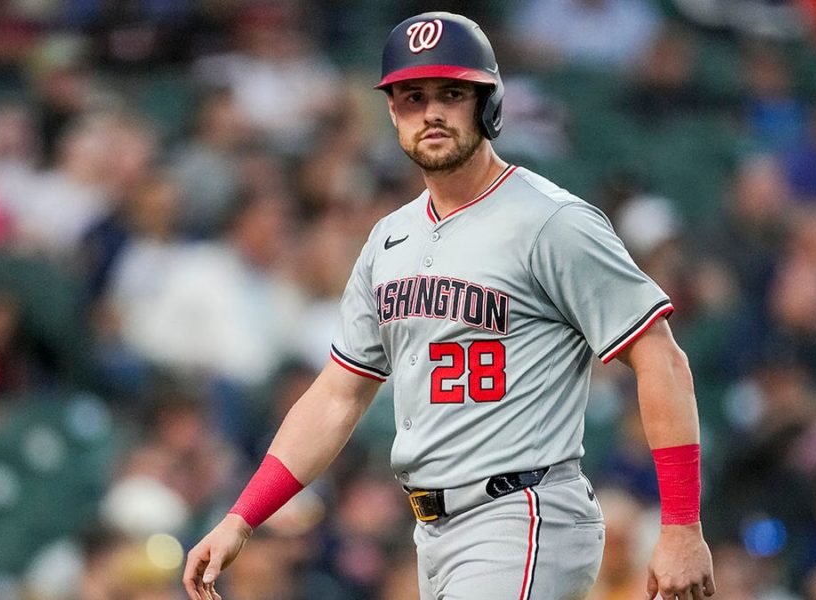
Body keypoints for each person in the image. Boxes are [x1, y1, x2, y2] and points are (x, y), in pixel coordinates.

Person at [184, 11, 715, 600]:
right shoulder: (389, 239)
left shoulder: (551, 221)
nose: (430, 111)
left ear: (487, 104)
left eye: (450, 93)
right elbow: (338, 394)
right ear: (392, 113)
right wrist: (244, 516)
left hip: (522, 512)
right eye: (412, 96)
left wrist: (681, 526)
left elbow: (661, 358)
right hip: (433, 533)